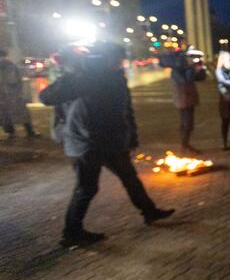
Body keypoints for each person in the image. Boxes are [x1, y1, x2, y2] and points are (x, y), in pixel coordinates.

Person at [40, 42, 174, 247]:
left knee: (130, 178)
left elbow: (126, 109)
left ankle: (149, 211)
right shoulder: (85, 78)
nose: (119, 63)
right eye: (116, 59)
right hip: (86, 143)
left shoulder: (116, 78)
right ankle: (72, 232)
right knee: (87, 188)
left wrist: (132, 136)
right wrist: (72, 72)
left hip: (111, 141)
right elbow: (47, 97)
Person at [160, 47, 207, 154]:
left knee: (186, 124)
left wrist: (201, 68)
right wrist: (191, 68)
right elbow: (187, 80)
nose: (189, 59)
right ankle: (185, 145)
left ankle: (184, 144)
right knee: (187, 124)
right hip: (183, 99)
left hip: (188, 99)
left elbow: (200, 78)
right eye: (187, 57)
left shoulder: (185, 68)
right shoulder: (177, 70)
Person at [0, 49, 39, 139]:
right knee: (9, 115)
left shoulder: (10, 66)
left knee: (16, 114)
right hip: (10, 96)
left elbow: (13, 80)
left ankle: (27, 131)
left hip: (11, 95)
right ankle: (20, 132)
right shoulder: (11, 65)